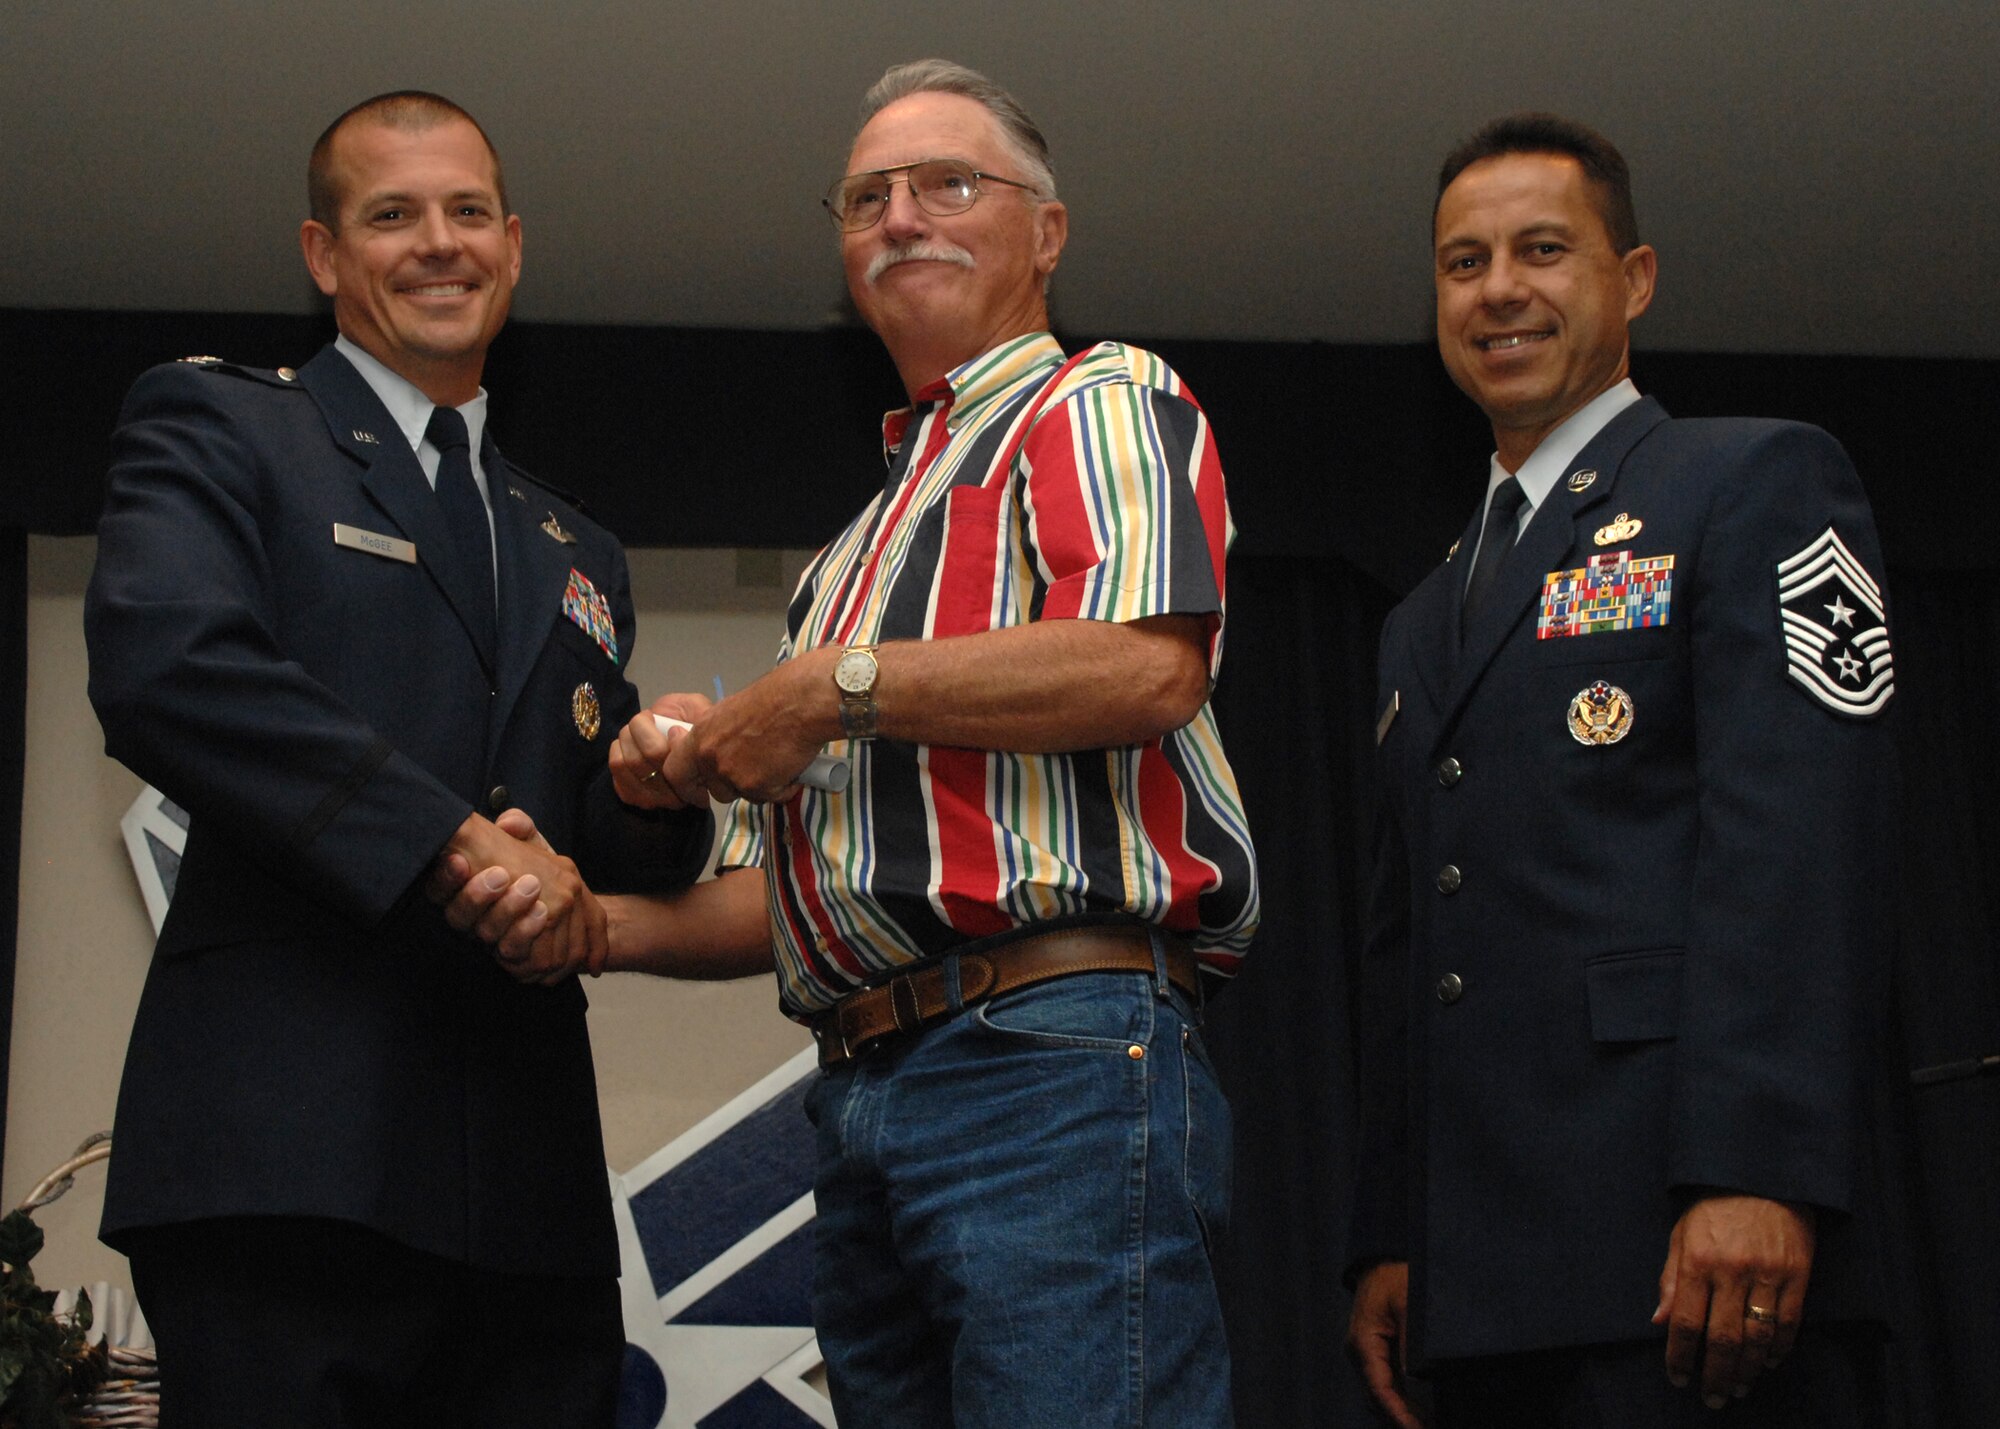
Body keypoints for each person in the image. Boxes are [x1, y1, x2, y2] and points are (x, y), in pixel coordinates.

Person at [450, 57, 1258, 1428]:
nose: (901, 217)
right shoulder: (848, 557)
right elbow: (804, 890)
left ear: (1046, 232)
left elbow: (1146, 662)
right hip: (863, 1085)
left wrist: (827, 690)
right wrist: (596, 922)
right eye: (867, 195)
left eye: (950, 183)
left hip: (1052, 1054)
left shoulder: (1095, 397)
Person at [84, 91, 711, 1428]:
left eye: (468, 211)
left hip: (530, 1192)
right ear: (324, 255)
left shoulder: (575, 545)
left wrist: (656, 792)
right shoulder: (221, 427)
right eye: (393, 214)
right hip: (285, 1158)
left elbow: (583, 838)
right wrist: (447, 839)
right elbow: (169, 668)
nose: (441, 244)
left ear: (514, 243)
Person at [1343, 112, 1897, 1427]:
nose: (1500, 289)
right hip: (1480, 1290)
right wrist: (1389, 1227)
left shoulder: (1754, 478)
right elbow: (1408, 943)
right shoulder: (1418, 615)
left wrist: (1758, 1171)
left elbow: (1800, 843)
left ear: (1633, 280)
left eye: (1543, 248)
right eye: (1463, 262)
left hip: (1690, 1254)